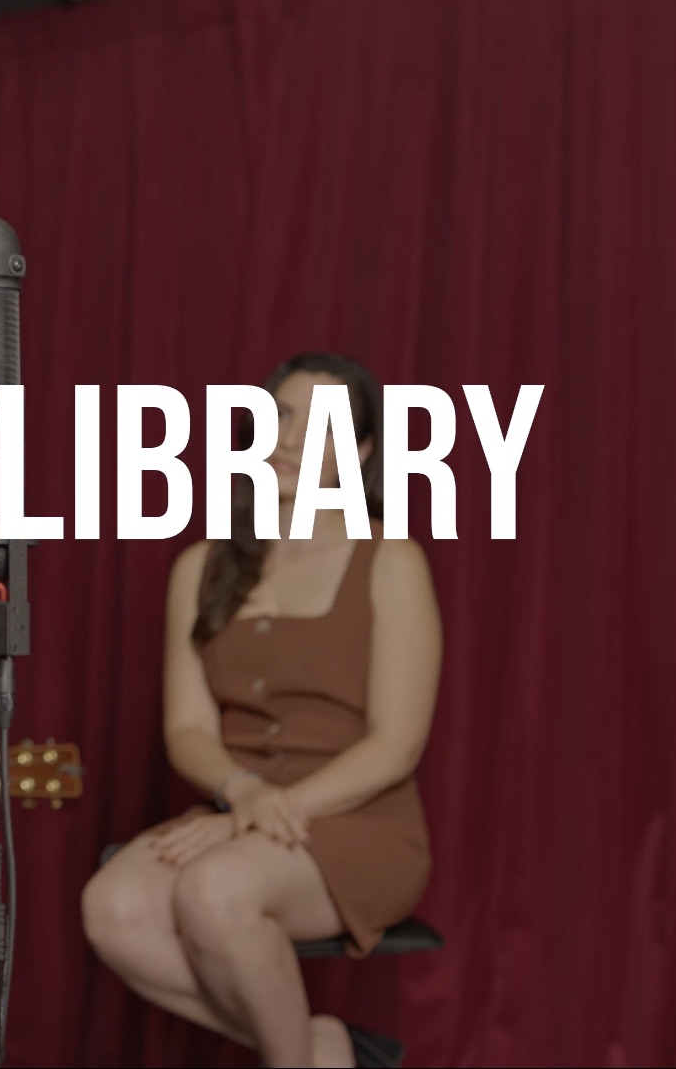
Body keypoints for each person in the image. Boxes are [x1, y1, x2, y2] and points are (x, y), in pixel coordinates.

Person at [80, 352, 443, 1069]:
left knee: (215, 894)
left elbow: (396, 745)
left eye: (323, 425)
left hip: (358, 820)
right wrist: (241, 793)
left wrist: (271, 810)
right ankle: (321, 1052)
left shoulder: (391, 558)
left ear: (362, 452)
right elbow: (186, 729)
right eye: (282, 415)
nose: (291, 437)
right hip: (241, 810)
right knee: (110, 907)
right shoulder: (201, 566)